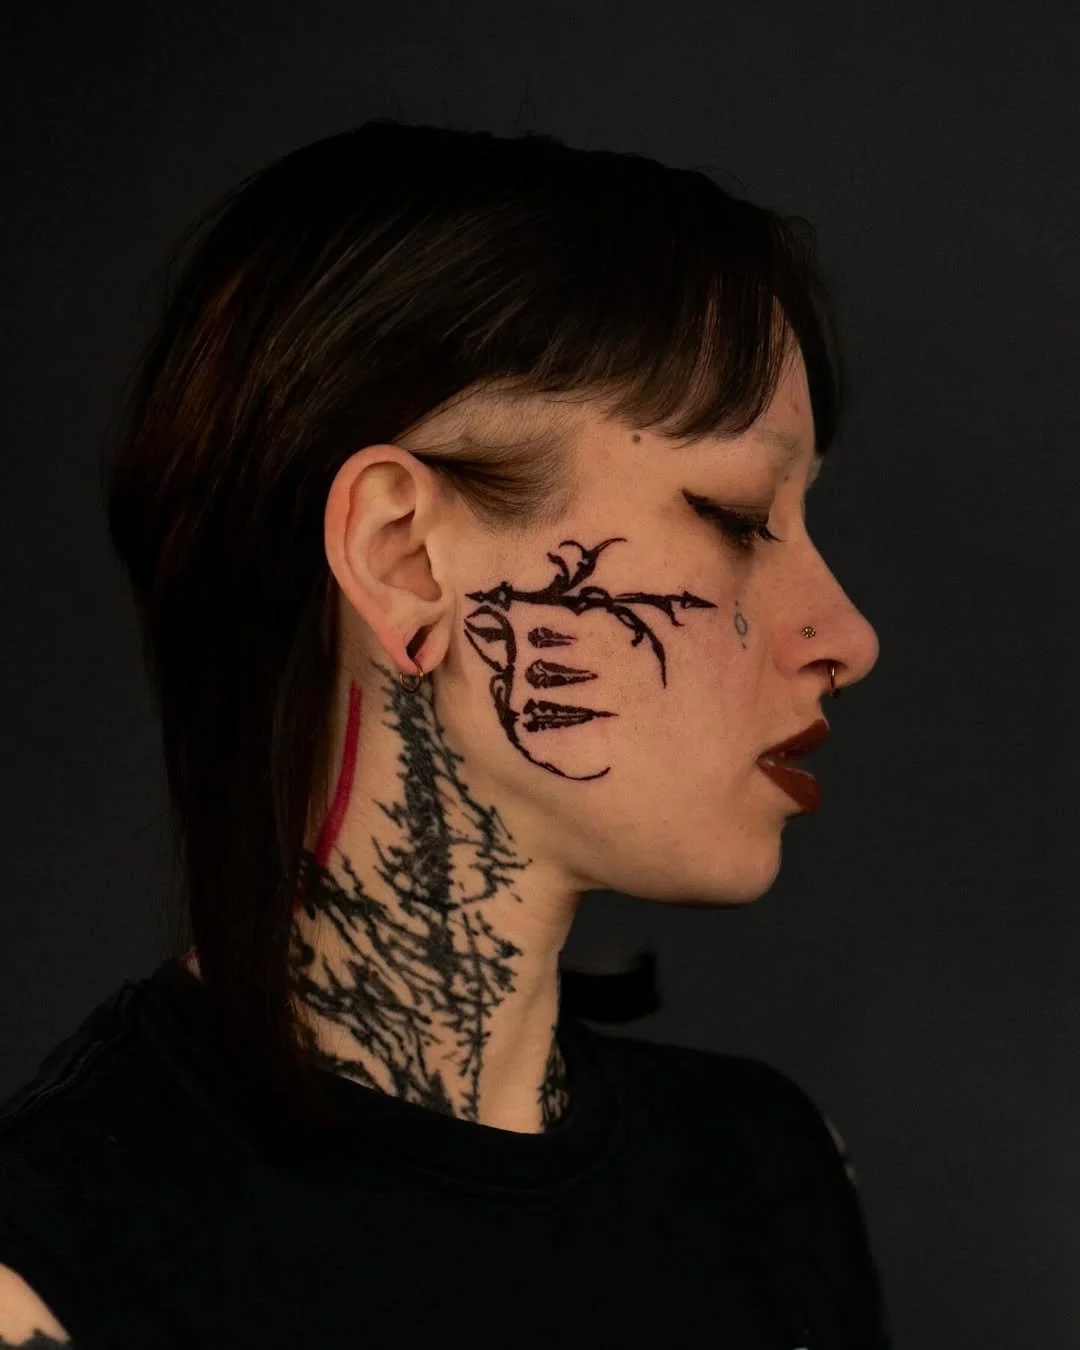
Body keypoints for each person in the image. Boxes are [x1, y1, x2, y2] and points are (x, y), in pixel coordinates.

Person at [0, 119, 885, 1347]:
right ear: (404, 556)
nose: (848, 634)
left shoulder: (773, 1179)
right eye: (739, 515)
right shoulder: (56, 1276)